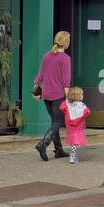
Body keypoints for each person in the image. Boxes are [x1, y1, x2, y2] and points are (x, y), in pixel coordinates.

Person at [33, 31, 71, 161]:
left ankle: (59, 150)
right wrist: (68, 98)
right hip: (58, 94)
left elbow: (40, 75)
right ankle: (43, 144)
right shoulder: (65, 59)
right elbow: (66, 81)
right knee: (58, 122)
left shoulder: (46, 56)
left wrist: (35, 90)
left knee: (54, 122)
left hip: (46, 93)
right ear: (66, 42)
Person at [61, 87, 91, 164]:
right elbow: (87, 112)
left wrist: (67, 101)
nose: (83, 95)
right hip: (78, 127)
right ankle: (73, 155)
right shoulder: (82, 105)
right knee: (75, 142)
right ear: (78, 96)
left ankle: (74, 155)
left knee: (73, 141)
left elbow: (62, 108)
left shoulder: (67, 105)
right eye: (82, 94)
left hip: (70, 127)